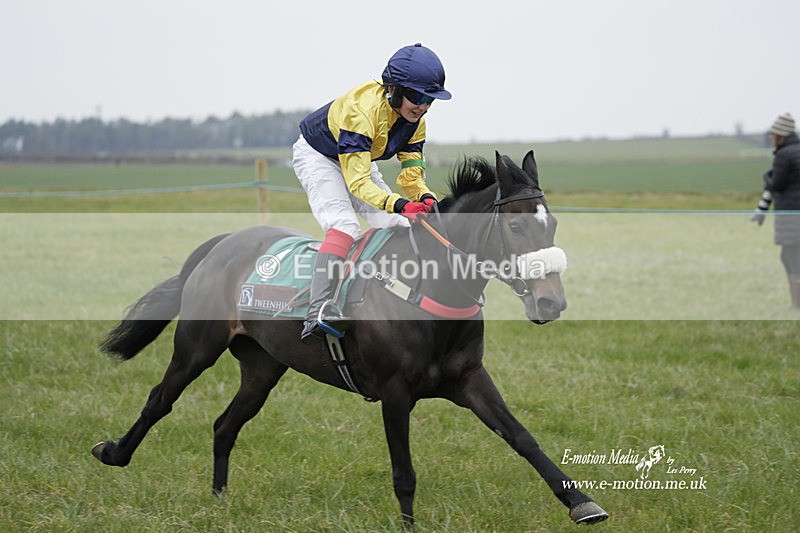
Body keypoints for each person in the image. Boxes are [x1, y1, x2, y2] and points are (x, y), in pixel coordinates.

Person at [292, 43, 452, 342]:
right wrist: (400, 203)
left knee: (397, 222)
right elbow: (358, 184)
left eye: (430, 99)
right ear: (393, 90)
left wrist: (423, 196)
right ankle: (317, 310)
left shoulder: (416, 122)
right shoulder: (361, 112)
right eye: (417, 96)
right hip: (320, 157)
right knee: (344, 225)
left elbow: (411, 174)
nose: (423, 105)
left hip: (359, 158)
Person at [751, 112, 800, 308]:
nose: (771, 138)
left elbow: (777, 184)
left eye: (773, 134)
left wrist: (767, 177)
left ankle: (797, 305)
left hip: (790, 217)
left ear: (780, 136)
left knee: (790, 258)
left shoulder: (783, 155)